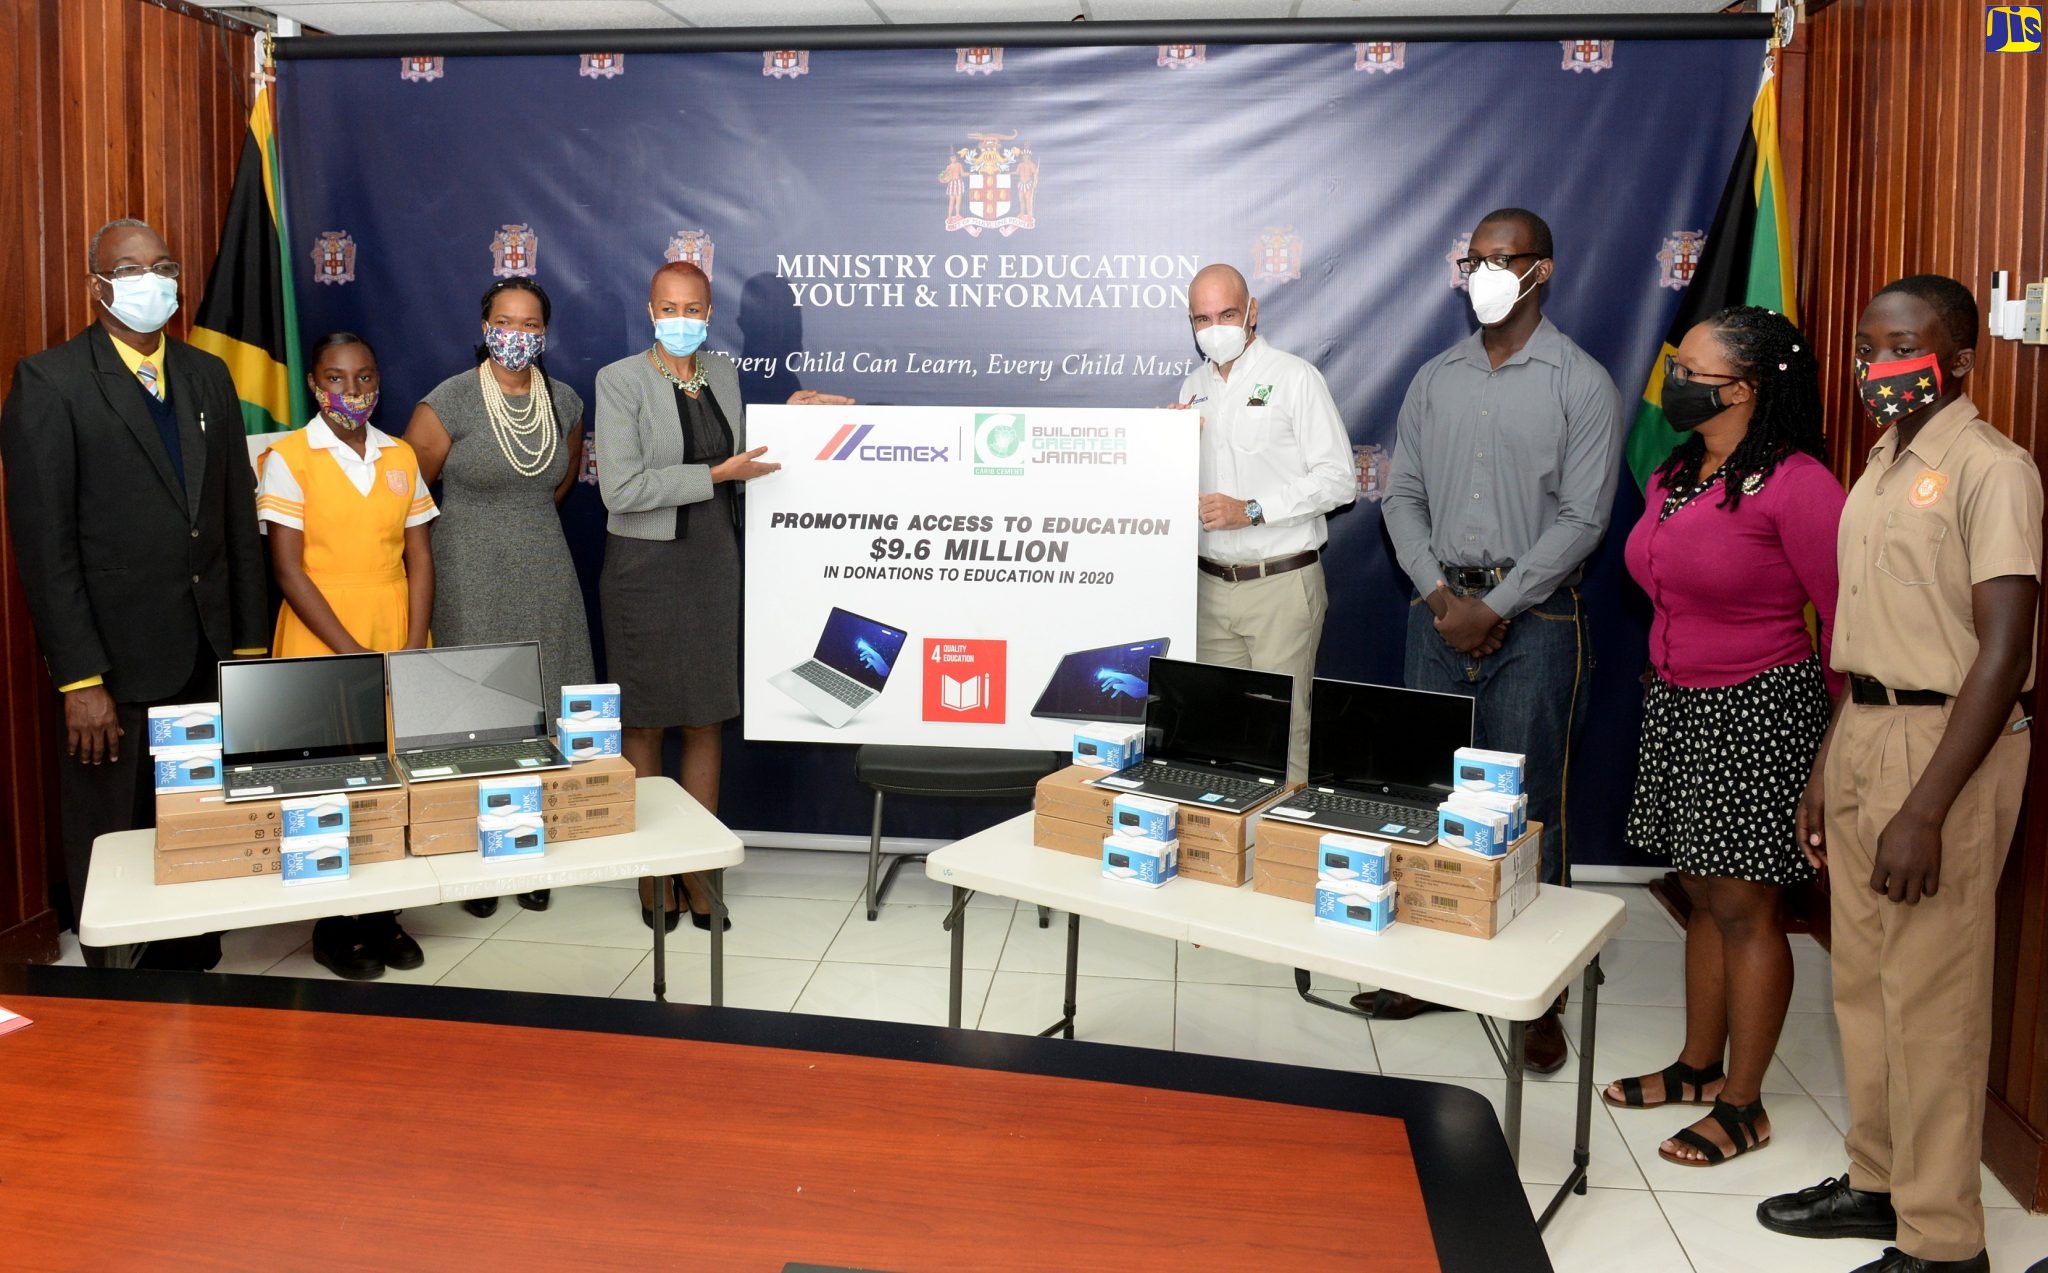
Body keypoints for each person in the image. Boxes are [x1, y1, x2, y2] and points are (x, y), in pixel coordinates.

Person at [1759, 276, 2039, 1273]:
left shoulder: (1990, 468)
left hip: (1945, 749)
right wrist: (1824, 768)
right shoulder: (1879, 461)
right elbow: (1868, 636)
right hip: (1865, 728)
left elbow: (2002, 650)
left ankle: (1944, 1241)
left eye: (1901, 346)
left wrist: (1924, 808)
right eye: (1865, 347)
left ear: (1957, 359)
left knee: (1931, 996)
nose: (1877, 366)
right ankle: (1875, 1183)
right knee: (1865, 979)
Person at [1378, 208, 1622, 1071]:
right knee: (1432, 798)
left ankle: (1539, 997)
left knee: (1527, 812)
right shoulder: (1435, 378)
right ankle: (1433, 969)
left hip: (1538, 620)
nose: (1482, 273)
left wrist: (1500, 605)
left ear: (1540, 270)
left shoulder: (1580, 382)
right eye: (1472, 260)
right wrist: (1442, 596)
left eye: (1501, 258)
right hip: (1438, 612)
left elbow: (1584, 518)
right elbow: (1400, 495)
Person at [1598, 307, 1843, 1167]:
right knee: (1700, 892)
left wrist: (1830, 754)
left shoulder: (1800, 484)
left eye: (1691, 371)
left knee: (1746, 906)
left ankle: (1744, 1104)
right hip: (1679, 703)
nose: (1672, 381)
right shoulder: (1679, 471)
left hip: (1760, 710)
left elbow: (1845, 625)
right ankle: (1698, 1066)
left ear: (1742, 389)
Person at [1, 218, 269, 969]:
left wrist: (248, 647)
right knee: (111, 828)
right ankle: (115, 980)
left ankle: (190, 947)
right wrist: (79, 678)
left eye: (164, 266)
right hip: (112, 667)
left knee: (191, 813)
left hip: (206, 650)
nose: (151, 280)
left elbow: (235, 518)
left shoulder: (207, 374)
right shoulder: (49, 383)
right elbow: (45, 549)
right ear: (97, 285)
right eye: (128, 269)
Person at [594, 261, 849, 931]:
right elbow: (621, 489)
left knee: (707, 719)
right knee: (645, 723)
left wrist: (795, 418)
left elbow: (748, 448)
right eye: (669, 307)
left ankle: (701, 872)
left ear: (709, 314)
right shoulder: (620, 380)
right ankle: (654, 873)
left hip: (712, 562)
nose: (681, 319)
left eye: (693, 308)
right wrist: (714, 474)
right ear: (651, 310)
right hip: (643, 567)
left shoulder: (725, 374)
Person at [407, 277, 594, 918]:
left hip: (545, 565)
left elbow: (558, 481)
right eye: (505, 322)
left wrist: (522, 522)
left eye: (530, 324)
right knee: (479, 711)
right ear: (485, 328)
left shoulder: (564, 401)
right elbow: (409, 497)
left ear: (545, 333)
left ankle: (524, 842)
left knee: (543, 703)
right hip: (467, 570)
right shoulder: (449, 401)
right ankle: (474, 857)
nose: (517, 334)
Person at [256, 332, 437, 979]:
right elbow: (288, 569)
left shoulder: (400, 454)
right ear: (313, 384)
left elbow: (420, 556)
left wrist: (413, 645)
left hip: (394, 624)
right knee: (330, 781)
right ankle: (334, 926)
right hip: (323, 634)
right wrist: (353, 655)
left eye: (364, 377)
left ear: (379, 382)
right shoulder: (289, 457)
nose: (351, 391)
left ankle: (383, 916)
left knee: (393, 775)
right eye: (335, 378)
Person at [1172, 262, 1356, 783]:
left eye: (1227, 314)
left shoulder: (1294, 377)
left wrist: (1251, 510)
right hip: (1209, 589)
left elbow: (1340, 480)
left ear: (1252, 311)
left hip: (1280, 584)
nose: (1215, 328)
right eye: (1203, 319)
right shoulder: (1191, 388)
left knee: (1282, 737)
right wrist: (1166, 447)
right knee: (1218, 738)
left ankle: (1280, 836)